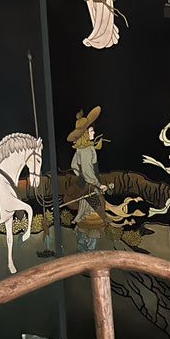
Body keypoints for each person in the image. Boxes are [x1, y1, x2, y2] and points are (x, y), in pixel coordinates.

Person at [66, 106, 109, 251]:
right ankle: (88, 254)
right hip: (90, 188)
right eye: (91, 131)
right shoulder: (88, 150)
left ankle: (82, 251)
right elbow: (89, 171)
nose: (93, 133)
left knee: (84, 222)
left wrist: (80, 176)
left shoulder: (80, 150)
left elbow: (74, 165)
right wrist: (98, 184)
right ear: (84, 134)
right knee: (93, 219)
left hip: (85, 187)